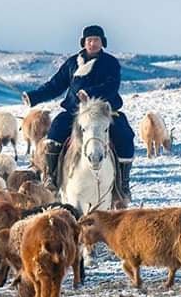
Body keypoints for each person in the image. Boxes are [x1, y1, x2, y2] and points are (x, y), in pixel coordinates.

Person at [22, 25, 135, 203]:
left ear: (102, 42)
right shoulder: (72, 63)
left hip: (105, 111)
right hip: (76, 111)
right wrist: (33, 97)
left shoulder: (110, 63)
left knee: (125, 135)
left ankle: (122, 185)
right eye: (89, 40)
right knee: (55, 132)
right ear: (84, 42)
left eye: (96, 40)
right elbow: (56, 85)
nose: (93, 43)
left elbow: (112, 86)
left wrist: (90, 93)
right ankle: (51, 177)